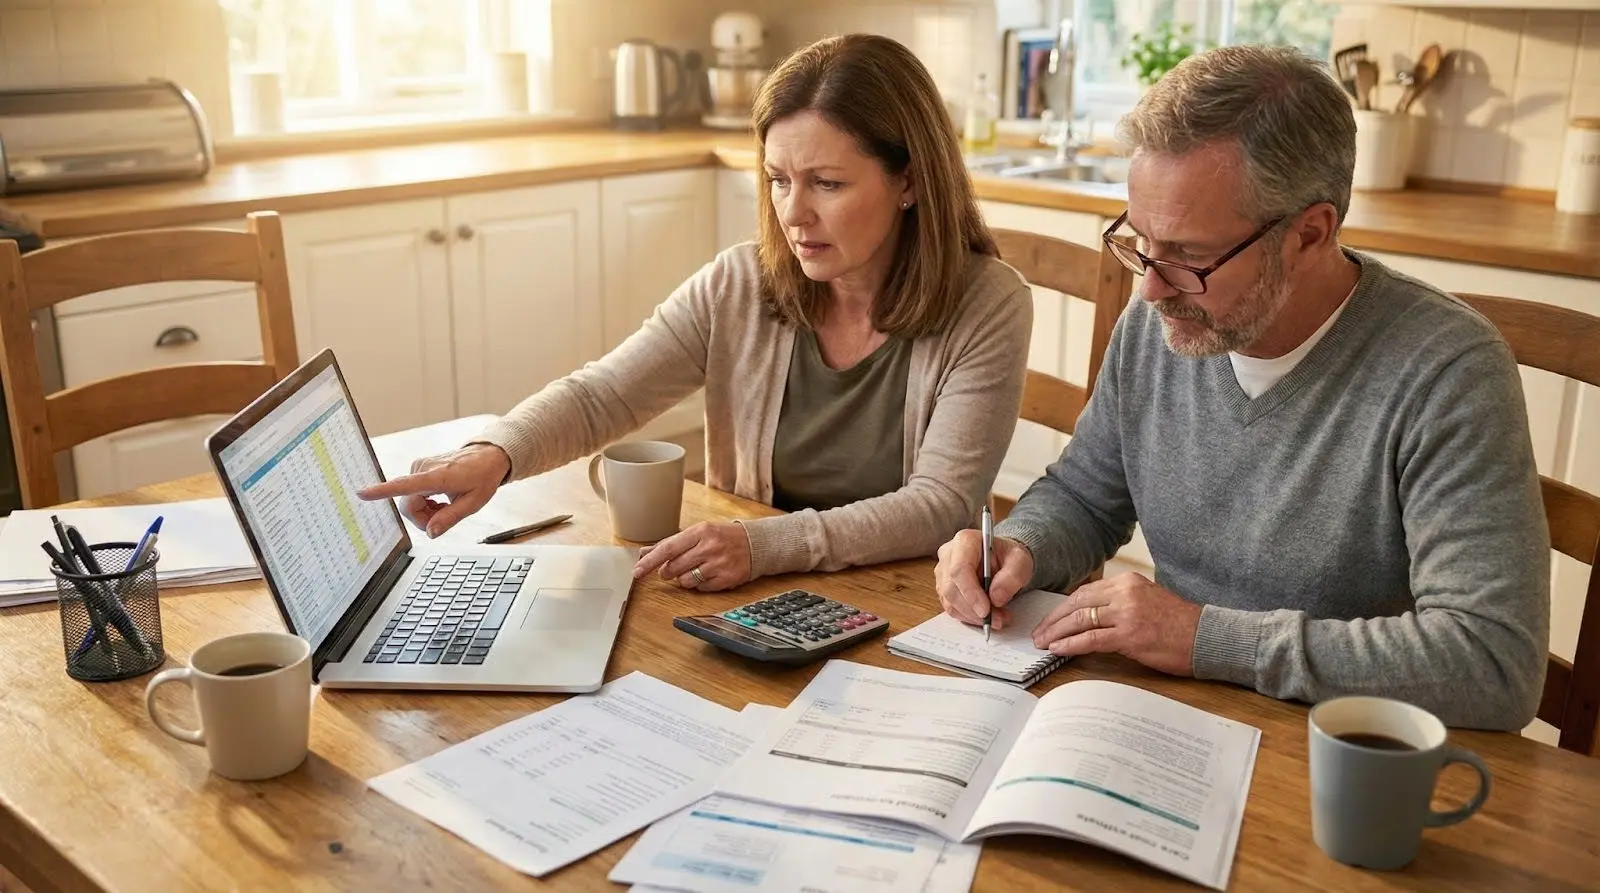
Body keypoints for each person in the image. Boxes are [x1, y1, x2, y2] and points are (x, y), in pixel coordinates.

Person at [933, 44, 1550, 730]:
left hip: (1350, 758)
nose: (1150, 287)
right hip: (1173, 718)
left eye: (1191, 256)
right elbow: (1085, 494)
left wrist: (1204, 637)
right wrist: (1021, 549)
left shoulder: (1446, 371)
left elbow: (1493, 663)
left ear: (1311, 234)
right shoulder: (1156, 321)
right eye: (1140, 240)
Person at [359, 34, 1032, 593]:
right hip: (750, 594)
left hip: (899, 602)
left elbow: (939, 504)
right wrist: (495, 454)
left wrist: (758, 544)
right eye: (777, 180)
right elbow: (602, 396)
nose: (792, 213)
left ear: (909, 181)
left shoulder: (988, 303)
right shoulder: (742, 282)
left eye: (827, 183)